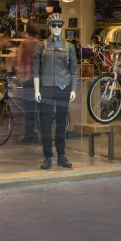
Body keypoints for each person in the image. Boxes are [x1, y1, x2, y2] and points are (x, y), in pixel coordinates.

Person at [33, 13, 78, 169]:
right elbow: (36, 70)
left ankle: (61, 156)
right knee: (45, 124)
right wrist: (36, 90)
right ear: (49, 26)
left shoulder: (69, 47)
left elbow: (73, 70)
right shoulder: (41, 46)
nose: (57, 28)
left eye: (59, 25)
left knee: (61, 123)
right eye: (54, 25)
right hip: (46, 88)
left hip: (63, 87)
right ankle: (47, 157)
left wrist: (74, 88)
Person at [13, 24, 40, 143]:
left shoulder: (24, 44)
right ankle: (39, 133)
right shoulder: (40, 44)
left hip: (28, 79)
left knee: (29, 110)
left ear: (27, 33)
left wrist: (14, 69)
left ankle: (29, 136)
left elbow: (18, 60)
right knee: (38, 108)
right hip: (39, 79)